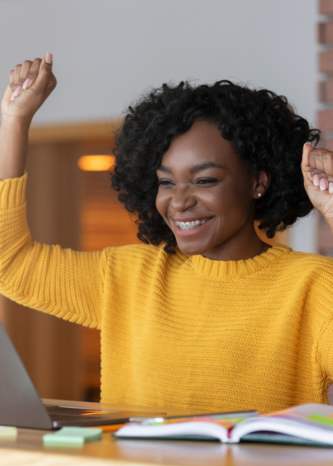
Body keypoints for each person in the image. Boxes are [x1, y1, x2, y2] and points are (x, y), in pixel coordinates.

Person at [1, 53, 333, 414]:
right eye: (166, 182)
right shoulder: (127, 276)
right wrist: (13, 121)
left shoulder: (311, 286)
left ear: (258, 182)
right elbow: (10, 261)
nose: (179, 202)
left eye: (204, 180)